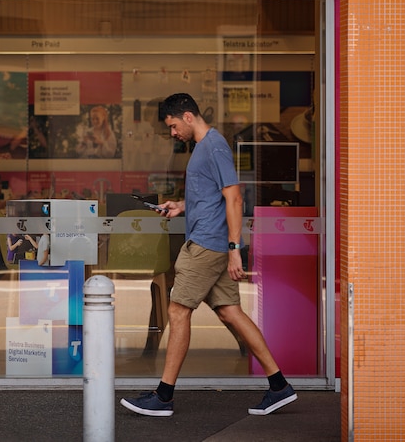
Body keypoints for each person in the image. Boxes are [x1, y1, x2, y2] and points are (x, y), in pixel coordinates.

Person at [120, 92, 297, 417]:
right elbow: (213, 197)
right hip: (210, 242)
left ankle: (163, 396)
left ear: (188, 117)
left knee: (177, 312)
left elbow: (234, 198)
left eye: (173, 126)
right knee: (230, 312)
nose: (173, 134)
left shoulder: (213, 146)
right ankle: (279, 385)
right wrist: (181, 206)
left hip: (206, 246)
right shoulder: (204, 148)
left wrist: (234, 249)